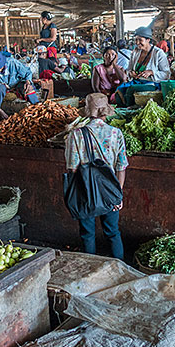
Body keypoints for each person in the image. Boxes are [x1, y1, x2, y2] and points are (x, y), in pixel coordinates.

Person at [65, 93, 127, 259]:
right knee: (113, 233)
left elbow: (72, 168)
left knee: (87, 234)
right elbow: (121, 166)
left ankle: (89, 270)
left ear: (87, 112)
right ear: (105, 113)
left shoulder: (75, 135)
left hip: (85, 190)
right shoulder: (116, 133)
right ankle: (120, 269)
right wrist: (118, 194)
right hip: (110, 190)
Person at [115, 26, 170, 106]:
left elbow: (166, 74)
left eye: (140, 40)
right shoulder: (135, 52)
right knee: (119, 91)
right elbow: (128, 70)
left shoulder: (158, 53)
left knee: (131, 90)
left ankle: (128, 110)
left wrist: (152, 72)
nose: (137, 43)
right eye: (136, 40)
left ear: (148, 40)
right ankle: (124, 110)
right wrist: (131, 73)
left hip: (152, 84)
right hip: (136, 81)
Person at [0, 51, 37, 120]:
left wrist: (28, 82)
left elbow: (27, 72)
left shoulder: (12, 62)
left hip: (17, 84)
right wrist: (0, 111)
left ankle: (37, 108)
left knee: (29, 88)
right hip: (3, 90)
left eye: (0, 67)